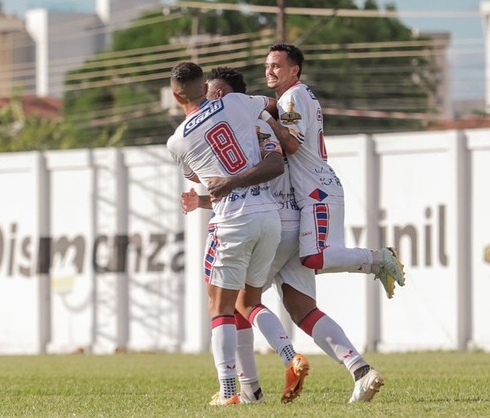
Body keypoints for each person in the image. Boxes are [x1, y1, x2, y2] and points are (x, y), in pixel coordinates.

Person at [184, 66, 386, 404]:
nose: (207, 100)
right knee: (302, 308)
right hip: (297, 219)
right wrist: (205, 199)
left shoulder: (243, 127)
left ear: (219, 95)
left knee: (239, 303)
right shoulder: (267, 119)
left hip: (268, 222)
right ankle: (361, 370)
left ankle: (253, 387)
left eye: (210, 94)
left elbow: (245, 180)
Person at [167, 62, 309, 406]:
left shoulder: (177, 141)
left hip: (231, 219)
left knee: (220, 307)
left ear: (176, 97)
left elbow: (199, 177)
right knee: (250, 302)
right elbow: (271, 104)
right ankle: (289, 354)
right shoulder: (236, 103)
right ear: (206, 88)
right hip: (268, 215)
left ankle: (229, 390)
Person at [260, 43, 405, 298]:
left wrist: (266, 119)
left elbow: (292, 145)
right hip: (315, 189)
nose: (269, 71)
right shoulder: (296, 94)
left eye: (276, 66)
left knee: (315, 258)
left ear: (294, 70)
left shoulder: (292, 97)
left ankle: (380, 258)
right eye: (267, 66)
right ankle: (375, 263)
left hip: (317, 190)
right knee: (313, 263)